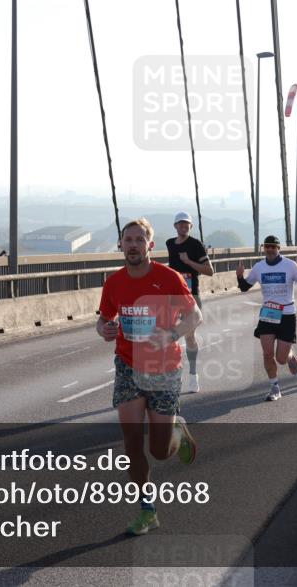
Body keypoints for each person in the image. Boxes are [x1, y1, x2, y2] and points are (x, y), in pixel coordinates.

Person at [97, 218, 201, 536]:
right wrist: (105, 329)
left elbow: (194, 315)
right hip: (128, 365)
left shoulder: (168, 278)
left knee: (158, 450)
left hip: (164, 367)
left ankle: (176, 433)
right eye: (127, 240)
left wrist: (170, 335)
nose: (132, 245)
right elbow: (103, 321)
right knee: (131, 442)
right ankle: (147, 509)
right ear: (121, 244)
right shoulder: (113, 283)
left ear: (149, 246)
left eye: (139, 240)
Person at [236, 235, 297, 401]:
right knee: (267, 354)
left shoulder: (290, 266)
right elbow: (244, 288)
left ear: (279, 248)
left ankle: (290, 355)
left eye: (273, 247)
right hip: (268, 315)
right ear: (264, 248)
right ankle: (274, 387)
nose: (270, 249)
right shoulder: (259, 267)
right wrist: (240, 276)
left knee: (281, 359)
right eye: (267, 247)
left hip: (286, 315)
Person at [165, 211, 213, 394]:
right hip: (172, 297)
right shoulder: (170, 244)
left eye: (187, 224)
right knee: (167, 335)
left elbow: (210, 270)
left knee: (189, 337)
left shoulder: (196, 245)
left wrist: (189, 261)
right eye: (180, 224)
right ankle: (171, 376)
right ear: (175, 226)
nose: (183, 226)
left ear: (190, 227)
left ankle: (193, 375)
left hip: (191, 297)